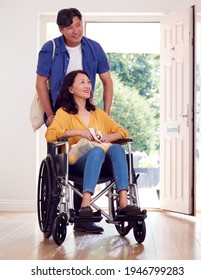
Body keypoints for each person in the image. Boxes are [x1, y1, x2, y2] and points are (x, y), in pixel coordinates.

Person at [36, 8, 114, 233]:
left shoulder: (94, 48)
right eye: (69, 27)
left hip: (84, 112)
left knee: (87, 153)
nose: (75, 30)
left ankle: (83, 217)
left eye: (78, 24)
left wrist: (105, 114)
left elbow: (107, 81)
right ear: (61, 29)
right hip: (61, 115)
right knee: (61, 167)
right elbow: (41, 83)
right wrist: (50, 115)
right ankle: (53, 217)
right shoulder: (50, 49)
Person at [46, 70, 140, 230]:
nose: (88, 85)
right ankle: (85, 204)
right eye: (82, 82)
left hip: (103, 164)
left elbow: (124, 132)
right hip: (76, 163)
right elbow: (51, 134)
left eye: (89, 82)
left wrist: (108, 137)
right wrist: (79, 132)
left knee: (117, 148)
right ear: (71, 89)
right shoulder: (63, 113)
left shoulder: (98, 113)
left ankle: (124, 203)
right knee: (96, 151)